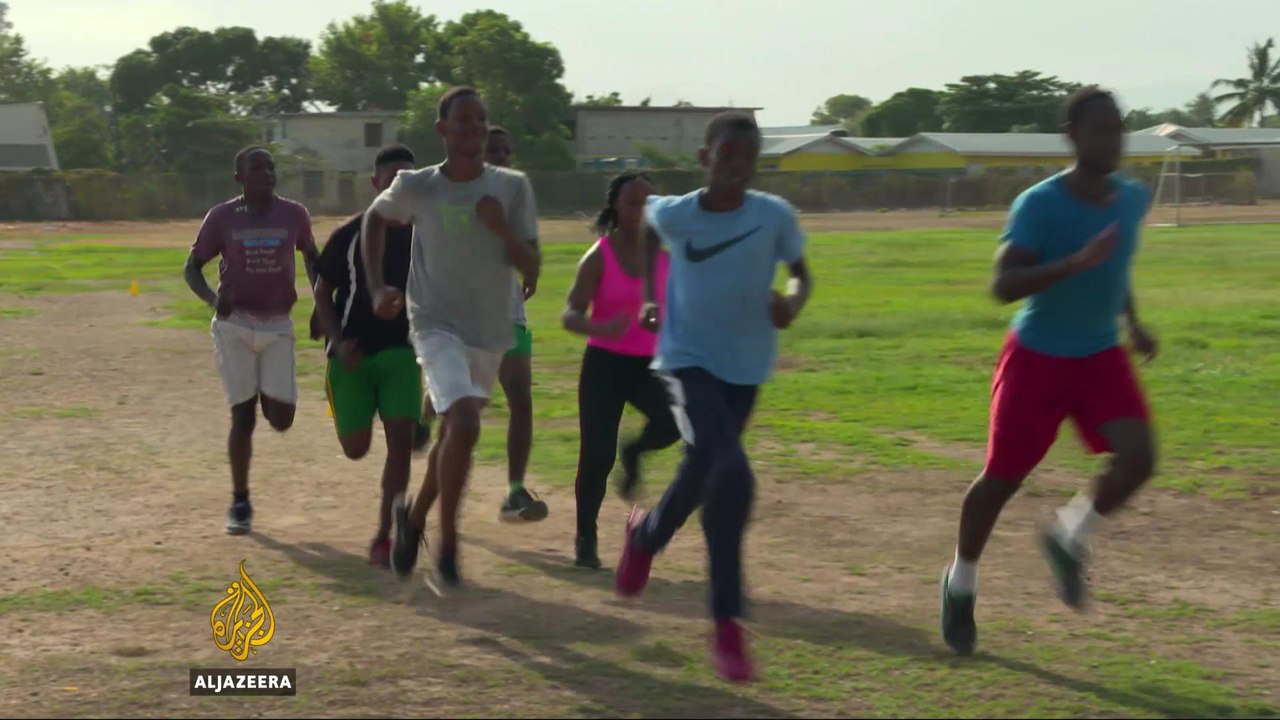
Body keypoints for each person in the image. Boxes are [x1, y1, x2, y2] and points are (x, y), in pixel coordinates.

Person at [939, 86, 1160, 657]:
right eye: (1100, 130)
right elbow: (1002, 286)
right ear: (1073, 136)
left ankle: (1068, 535)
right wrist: (1073, 263)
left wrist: (1132, 323)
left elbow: (1117, 269)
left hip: (1100, 354)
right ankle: (960, 581)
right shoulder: (1038, 204)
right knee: (1001, 481)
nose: (1113, 141)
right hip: (1038, 356)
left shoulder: (1132, 199)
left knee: (1139, 458)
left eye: (1118, 129)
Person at [613, 112, 813, 684]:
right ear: (705, 158)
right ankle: (727, 623)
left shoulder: (772, 215)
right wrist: (654, 294)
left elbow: (802, 275)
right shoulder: (679, 212)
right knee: (731, 472)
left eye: (746, 160)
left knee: (702, 470)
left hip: (745, 371)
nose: (736, 169)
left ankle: (646, 537)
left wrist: (792, 305)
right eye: (726, 158)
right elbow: (650, 229)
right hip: (685, 363)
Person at [363, 86, 541, 587]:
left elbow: (532, 265)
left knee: (452, 435)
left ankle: (413, 518)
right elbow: (375, 220)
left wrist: (501, 228)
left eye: (481, 121)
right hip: (434, 323)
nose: (474, 130)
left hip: (490, 329)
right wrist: (378, 286)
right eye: (463, 121)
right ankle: (447, 545)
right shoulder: (417, 185)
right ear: (442, 129)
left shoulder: (512, 188)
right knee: (462, 421)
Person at [416, 126, 548, 523]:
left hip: (507, 316)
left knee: (521, 397)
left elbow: (531, 251)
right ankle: (424, 420)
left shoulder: (515, 196)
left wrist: (529, 266)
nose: (503, 157)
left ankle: (514, 492)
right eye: (495, 150)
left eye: (508, 151)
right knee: (459, 416)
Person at [184, 146, 318, 535]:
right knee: (242, 416)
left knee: (280, 419)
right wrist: (213, 299)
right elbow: (192, 267)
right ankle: (240, 502)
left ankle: (264, 389)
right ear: (239, 177)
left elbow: (312, 255)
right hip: (234, 325)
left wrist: (319, 303)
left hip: (277, 326)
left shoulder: (294, 214)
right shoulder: (222, 217)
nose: (268, 174)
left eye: (272, 168)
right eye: (257, 169)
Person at [312, 144, 423, 569]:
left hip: (402, 354)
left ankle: (385, 535)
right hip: (352, 356)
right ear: (375, 183)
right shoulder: (349, 234)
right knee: (356, 448)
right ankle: (343, 398)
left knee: (400, 441)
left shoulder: (425, 234)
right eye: (391, 178)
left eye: (407, 180)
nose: (399, 186)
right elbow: (323, 290)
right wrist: (338, 342)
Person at [563, 171, 680, 570]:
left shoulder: (666, 255)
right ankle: (585, 538)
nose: (642, 210)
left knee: (675, 420)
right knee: (596, 456)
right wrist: (601, 327)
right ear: (616, 205)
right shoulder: (599, 256)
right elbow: (570, 315)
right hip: (605, 365)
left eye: (649, 203)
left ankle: (634, 451)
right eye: (633, 202)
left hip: (650, 365)